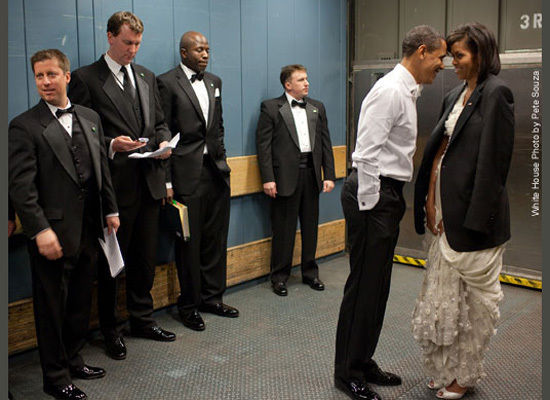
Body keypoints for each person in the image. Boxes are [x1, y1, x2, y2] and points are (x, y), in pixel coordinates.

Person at [334, 25, 447, 400]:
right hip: (373, 194)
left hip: (386, 194)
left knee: (377, 288)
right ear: (421, 51)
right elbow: (365, 155)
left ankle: (363, 361)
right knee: (363, 286)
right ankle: (346, 373)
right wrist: (370, 210)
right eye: (439, 56)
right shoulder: (390, 91)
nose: (441, 64)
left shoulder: (406, 90)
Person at [9, 49, 119, 400]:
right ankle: (55, 377)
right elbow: (21, 187)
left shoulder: (89, 117)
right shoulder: (24, 126)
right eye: (39, 76)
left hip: (90, 229)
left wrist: (111, 210)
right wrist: (39, 229)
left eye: (51, 74)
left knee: (79, 301)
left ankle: (74, 358)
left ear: (67, 76)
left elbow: (103, 169)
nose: (45, 82)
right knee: (51, 307)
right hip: (51, 233)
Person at [412, 23, 514, 400]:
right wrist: (429, 200)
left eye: (459, 56)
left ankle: (465, 375)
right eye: (450, 55)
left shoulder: (497, 94)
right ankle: (444, 369)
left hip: (474, 224)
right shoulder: (454, 94)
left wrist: (473, 222)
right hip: (444, 214)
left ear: (481, 55)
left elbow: (494, 168)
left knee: (475, 307)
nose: (451, 62)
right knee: (444, 300)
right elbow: (440, 152)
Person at [68, 11, 176, 360]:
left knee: (145, 258)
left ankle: (142, 319)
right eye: (127, 42)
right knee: (111, 264)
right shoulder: (86, 78)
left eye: (138, 44)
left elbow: (159, 121)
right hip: (112, 188)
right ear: (110, 36)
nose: (133, 49)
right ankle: (111, 328)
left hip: (149, 183)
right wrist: (113, 144)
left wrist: (162, 145)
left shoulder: (146, 75)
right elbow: (78, 136)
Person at [157, 31, 238, 332]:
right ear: (183, 53)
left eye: (207, 49)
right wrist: (167, 182)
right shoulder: (166, 82)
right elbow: (161, 132)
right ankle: (188, 305)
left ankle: (212, 297)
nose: (205, 54)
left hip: (216, 171)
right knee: (188, 243)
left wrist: (224, 161)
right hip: (184, 174)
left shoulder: (215, 82)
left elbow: (218, 127)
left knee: (215, 238)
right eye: (199, 49)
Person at [256, 64, 336, 297]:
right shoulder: (271, 108)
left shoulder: (317, 108)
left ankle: (310, 273)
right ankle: (279, 277)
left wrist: (328, 175)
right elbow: (264, 147)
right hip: (284, 178)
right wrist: (268, 178)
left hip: (311, 175)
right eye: (301, 80)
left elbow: (325, 144)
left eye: (307, 79)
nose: (306, 83)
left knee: (311, 227)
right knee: (284, 230)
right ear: (288, 84)